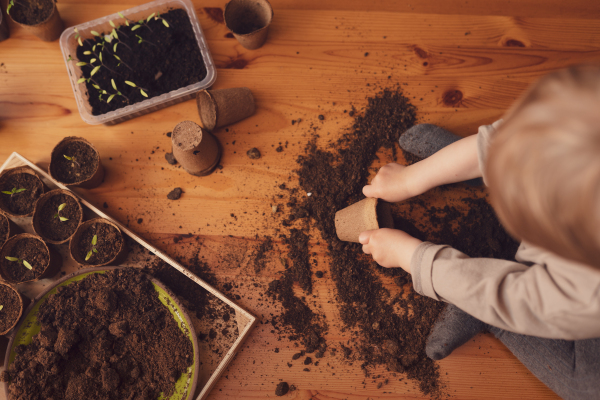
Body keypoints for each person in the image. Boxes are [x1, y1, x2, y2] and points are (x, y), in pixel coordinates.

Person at [358, 65, 600, 400]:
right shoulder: (586, 122)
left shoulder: (586, 295)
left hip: (570, 308)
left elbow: (515, 297)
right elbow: (521, 138)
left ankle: (485, 315)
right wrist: (415, 178)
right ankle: (467, 169)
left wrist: (410, 256)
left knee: (585, 388)